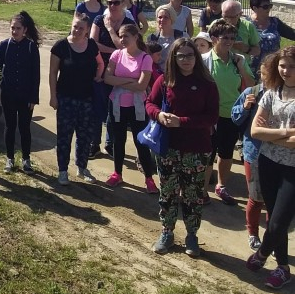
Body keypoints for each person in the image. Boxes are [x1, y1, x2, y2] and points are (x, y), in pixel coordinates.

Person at [146, 38, 219, 257]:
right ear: (174, 58)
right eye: (181, 56)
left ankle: (191, 235)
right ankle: (167, 232)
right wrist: (158, 115)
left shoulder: (207, 84)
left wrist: (182, 122)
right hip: (168, 147)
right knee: (167, 192)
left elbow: (211, 117)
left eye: (190, 55)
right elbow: (149, 103)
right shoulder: (165, 80)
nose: (185, 60)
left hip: (196, 149)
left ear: (196, 57)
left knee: (193, 194)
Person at [245, 47, 295, 290]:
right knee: (274, 216)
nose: (286, 71)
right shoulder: (271, 93)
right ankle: (283, 267)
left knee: (278, 222)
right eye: (283, 65)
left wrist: (271, 134)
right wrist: (287, 132)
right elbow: (255, 131)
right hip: (267, 162)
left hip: (292, 169)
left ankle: (263, 253)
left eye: (292, 66)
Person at [202, 19, 256, 206]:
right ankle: (202, 191)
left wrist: (241, 67)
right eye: (225, 37)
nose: (229, 41)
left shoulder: (238, 60)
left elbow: (251, 86)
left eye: (232, 38)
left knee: (226, 154)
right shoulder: (204, 60)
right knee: (208, 153)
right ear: (214, 38)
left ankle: (221, 186)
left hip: (233, 115)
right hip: (210, 115)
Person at [49, 13, 103, 185]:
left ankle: (82, 167)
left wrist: (98, 76)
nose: (77, 30)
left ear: (87, 30)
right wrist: (53, 96)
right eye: (75, 26)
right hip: (65, 99)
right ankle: (63, 171)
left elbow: (100, 63)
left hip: (87, 99)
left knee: (85, 136)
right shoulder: (60, 46)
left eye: (81, 28)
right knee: (64, 136)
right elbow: (52, 73)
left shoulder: (91, 45)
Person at [103, 23, 157, 191]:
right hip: (117, 104)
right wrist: (130, 81)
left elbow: (142, 86)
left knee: (140, 141)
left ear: (135, 37)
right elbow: (107, 78)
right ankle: (117, 174)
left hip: (137, 106)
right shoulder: (117, 55)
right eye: (120, 36)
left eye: (126, 36)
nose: (122, 39)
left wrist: (119, 81)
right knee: (118, 140)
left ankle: (149, 178)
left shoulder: (145, 58)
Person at [89, 0, 134, 158]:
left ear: (123, 4)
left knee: (114, 108)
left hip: (119, 71)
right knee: (96, 106)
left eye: (116, 2)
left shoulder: (129, 23)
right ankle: (94, 143)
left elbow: (126, 47)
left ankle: (110, 143)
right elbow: (93, 44)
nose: (112, 6)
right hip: (98, 69)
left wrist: (110, 29)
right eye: (109, 2)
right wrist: (115, 50)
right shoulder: (98, 19)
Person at [231, 60, 269, 252]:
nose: (265, 78)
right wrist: (245, 107)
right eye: (263, 74)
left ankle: (272, 237)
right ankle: (253, 234)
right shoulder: (251, 92)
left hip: (281, 156)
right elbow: (235, 118)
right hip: (254, 153)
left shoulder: (287, 96)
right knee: (256, 198)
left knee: (274, 202)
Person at [0, 12, 40, 173]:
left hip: (25, 96)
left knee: (24, 128)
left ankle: (26, 159)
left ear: (25, 30)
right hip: (8, 94)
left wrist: (33, 97)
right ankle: (10, 158)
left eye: (18, 28)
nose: (15, 31)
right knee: (9, 126)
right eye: (12, 28)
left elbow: (36, 74)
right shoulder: (4, 45)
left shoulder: (31, 47)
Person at [248, 0, 295, 73]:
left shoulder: (275, 22)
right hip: (251, 69)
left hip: (273, 68)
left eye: (270, 6)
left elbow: (292, 34)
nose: (269, 9)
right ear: (255, 8)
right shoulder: (246, 24)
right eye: (265, 7)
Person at [147, 5, 183, 72]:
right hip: (157, 74)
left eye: (166, 17)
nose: (162, 20)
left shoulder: (182, 36)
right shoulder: (151, 38)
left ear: (172, 19)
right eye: (160, 17)